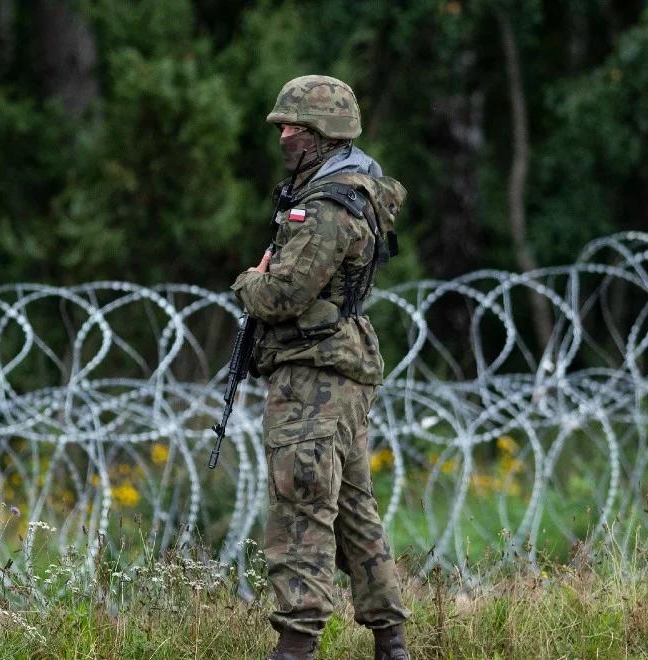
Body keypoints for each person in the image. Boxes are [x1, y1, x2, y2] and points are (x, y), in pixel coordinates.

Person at [231, 75, 411, 660]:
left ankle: (296, 645)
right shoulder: (349, 190)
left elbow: (285, 295)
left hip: (313, 374)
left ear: (322, 134)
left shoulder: (328, 207)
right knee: (355, 511)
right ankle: (391, 642)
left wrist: (249, 282)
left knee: (302, 504)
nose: (283, 135)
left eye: (294, 127)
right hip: (338, 370)